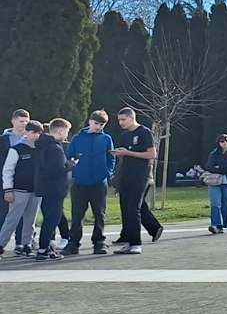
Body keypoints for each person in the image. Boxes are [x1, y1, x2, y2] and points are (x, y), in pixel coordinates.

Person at [110, 108, 161, 254]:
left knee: (133, 208)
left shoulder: (144, 132)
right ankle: (128, 240)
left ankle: (136, 243)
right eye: (119, 120)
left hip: (141, 176)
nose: (121, 123)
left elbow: (152, 154)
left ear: (132, 118)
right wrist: (119, 153)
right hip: (126, 175)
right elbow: (125, 154)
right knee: (126, 208)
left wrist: (128, 152)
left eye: (123, 120)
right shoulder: (125, 135)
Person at [66, 110, 116, 255]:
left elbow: (111, 157)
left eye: (101, 125)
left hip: (99, 182)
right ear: (89, 121)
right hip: (79, 182)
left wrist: (108, 172)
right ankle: (73, 242)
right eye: (96, 123)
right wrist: (73, 167)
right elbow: (69, 156)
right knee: (77, 214)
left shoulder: (106, 139)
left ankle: (99, 242)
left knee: (99, 213)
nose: (98, 127)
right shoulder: (77, 138)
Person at [31, 119, 70, 261]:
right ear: (60, 131)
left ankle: (47, 247)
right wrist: (70, 165)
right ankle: (43, 249)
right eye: (66, 131)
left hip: (44, 188)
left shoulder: (42, 145)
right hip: (55, 189)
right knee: (52, 220)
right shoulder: (55, 148)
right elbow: (56, 170)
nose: (66, 135)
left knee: (48, 218)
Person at [1, 120, 40, 256]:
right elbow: (8, 170)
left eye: (38, 133)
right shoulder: (16, 149)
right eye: (33, 132)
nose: (36, 135)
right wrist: (8, 189)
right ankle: (1, 244)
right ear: (26, 132)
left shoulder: (40, 149)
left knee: (30, 220)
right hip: (19, 190)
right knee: (12, 219)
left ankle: (26, 245)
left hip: (36, 191)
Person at [201, 134, 227, 234]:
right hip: (214, 182)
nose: (224, 143)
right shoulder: (214, 154)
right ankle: (215, 225)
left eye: (226, 141)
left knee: (225, 205)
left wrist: (219, 167)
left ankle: (221, 226)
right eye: (222, 141)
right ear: (218, 143)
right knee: (215, 204)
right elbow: (209, 166)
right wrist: (224, 168)